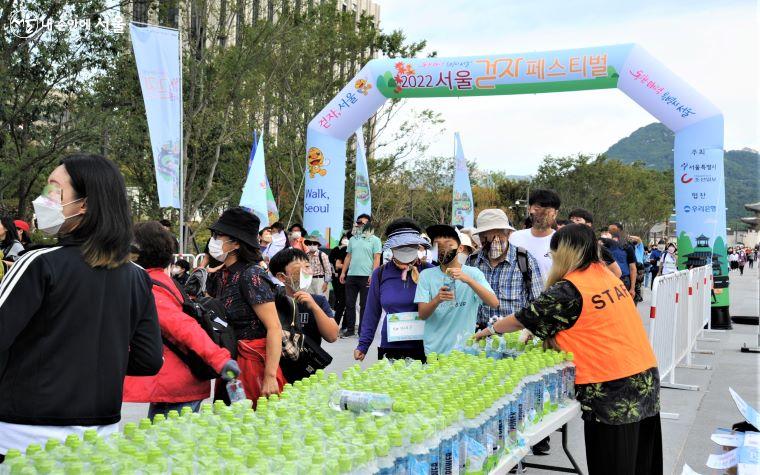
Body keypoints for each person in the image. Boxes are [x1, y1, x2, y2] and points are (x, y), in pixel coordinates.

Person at [0, 154, 163, 460]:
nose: (43, 200)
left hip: (22, 437)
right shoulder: (136, 276)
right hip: (100, 437)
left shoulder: (38, 263)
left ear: (84, 205)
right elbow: (149, 359)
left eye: (54, 190)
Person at [474, 224, 662, 475]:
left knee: (613, 464)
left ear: (564, 253)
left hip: (612, 387)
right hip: (644, 375)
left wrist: (490, 330)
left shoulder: (570, 288)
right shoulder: (605, 274)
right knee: (641, 463)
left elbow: (524, 317)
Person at [123, 221, 240, 419]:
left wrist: (219, 360)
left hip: (177, 385)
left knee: (167, 447)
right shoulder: (162, 280)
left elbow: (184, 327)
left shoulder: (150, 288)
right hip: (175, 383)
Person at [206, 207, 285, 405]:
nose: (213, 240)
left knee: (253, 425)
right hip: (229, 362)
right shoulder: (219, 274)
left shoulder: (252, 275)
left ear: (236, 243)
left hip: (253, 363)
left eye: (218, 235)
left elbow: (274, 327)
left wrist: (269, 375)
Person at [355, 218, 433, 362]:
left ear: (418, 246)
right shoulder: (380, 273)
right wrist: (363, 345)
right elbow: (372, 311)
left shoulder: (429, 271)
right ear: (392, 248)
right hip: (391, 346)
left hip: (426, 346)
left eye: (410, 245)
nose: (406, 249)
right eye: (401, 246)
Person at [415, 224, 498, 355]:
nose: (443, 249)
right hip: (434, 352)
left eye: (449, 244)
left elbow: (494, 303)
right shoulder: (426, 275)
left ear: (460, 248)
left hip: (465, 351)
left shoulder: (473, 274)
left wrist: (469, 281)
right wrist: (437, 300)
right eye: (438, 245)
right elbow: (422, 314)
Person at [466, 209, 544, 330]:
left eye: (498, 236)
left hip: (513, 337)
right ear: (480, 237)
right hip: (479, 337)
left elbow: (538, 303)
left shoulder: (524, 260)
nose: (493, 242)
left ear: (508, 234)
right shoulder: (472, 261)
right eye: (487, 237)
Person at [269, 248, 339, 383]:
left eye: (307, 266)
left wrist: (313, 306)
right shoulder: (273, 302)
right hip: (280, 373)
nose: (307, 271)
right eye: (299, 268)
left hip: (309, 374)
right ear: (282, 277)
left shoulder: (318, 301)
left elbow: (332, 336)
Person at [339, 214, 381, 337]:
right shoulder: (352, 239)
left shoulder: (375, 240)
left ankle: (363, 330)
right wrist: (343, 272)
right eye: (358, 222)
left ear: (369, 224)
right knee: (349, 304)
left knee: (364, 305)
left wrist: (373, 275)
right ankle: (350, 329)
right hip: (352, 275)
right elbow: (348, 256)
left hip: (366, 276)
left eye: (363, 223)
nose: (360, 225)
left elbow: (377, 258)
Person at [509, 189, 560, 280]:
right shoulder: (515, 238)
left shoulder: (562, 241)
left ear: (555, 213)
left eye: (547, 211)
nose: (541, 214)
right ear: (529, 209)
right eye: (537, 209)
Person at [567, 208, 622, 278]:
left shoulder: (597, 249)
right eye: (571, 220)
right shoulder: (564, 246)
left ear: (588, 225)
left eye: (578, 220)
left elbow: (617, 273)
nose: (573, 222)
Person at [609, 222, 637, 296]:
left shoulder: (627, 247)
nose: (611, 232)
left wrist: (632, 288)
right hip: (606, 281)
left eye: (614, 229)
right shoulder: (603, 246)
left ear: (620, 231)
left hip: (623, 281)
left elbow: (633, 268)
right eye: (609, 230)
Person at [329, 233, 350, 327]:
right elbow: (336, 265)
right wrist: (349, 267)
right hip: (339, 278)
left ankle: (346, 325)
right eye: (344, 238)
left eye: (348, 238)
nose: (346, 239)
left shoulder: (355, 250)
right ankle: (335, 324)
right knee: (341, 301)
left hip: (353, 279)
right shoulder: (339, 250)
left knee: (349, 303)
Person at [304, 233, 332, 300]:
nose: (312, 245)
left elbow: (328, 270)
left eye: (314, 244)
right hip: (308, 281)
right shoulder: (305, 255)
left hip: (320, 280)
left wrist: (326, 283)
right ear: (307, 244)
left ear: (317, 245)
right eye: (310, 243)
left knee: (321, 301)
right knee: (310, 301)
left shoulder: (322, 255)